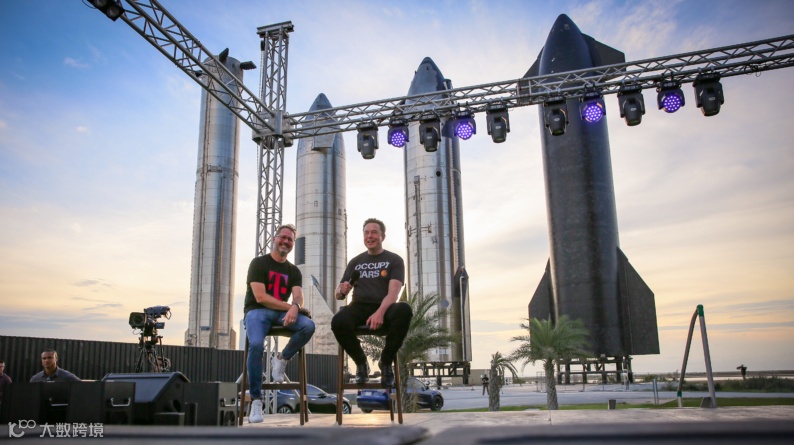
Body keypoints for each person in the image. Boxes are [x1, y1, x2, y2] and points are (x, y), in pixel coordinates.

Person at [244, 223, 315, 423]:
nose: (285, 241)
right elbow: (260, 297)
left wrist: (296, 306)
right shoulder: (258, 263)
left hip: (281, 314)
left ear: (293, 243)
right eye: (282, 237)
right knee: (256, 345)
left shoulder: (293, 271)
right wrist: (291, 307)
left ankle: (282, 359)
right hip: (257, 311)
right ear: (274, 239)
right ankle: (256, 401)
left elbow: (298, 296)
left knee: (308, 326)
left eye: (290, 239)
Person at [332, 218, 413, 388]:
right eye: (366, 233)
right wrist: (340, 290)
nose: (369, 236)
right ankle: (361, 363)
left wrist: (380, 312)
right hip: (359, 306)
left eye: (374, 232)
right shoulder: (355, 262)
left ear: (382, 236)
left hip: (385, 307)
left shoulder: (394, 260)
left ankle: (386, 363)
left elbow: (393, 294)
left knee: (404, 309)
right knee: (338, 320)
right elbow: (339, 294)